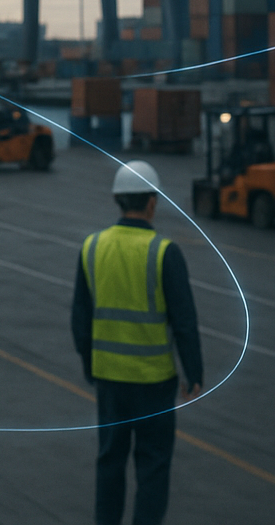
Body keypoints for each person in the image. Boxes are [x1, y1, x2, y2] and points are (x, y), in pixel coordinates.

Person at [71, 161, 202, 525]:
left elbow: (79, 320)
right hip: (154, 383)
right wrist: (194, 372)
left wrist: (90, 365)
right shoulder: (164, 252)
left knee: (109, 462)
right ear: (152, 203)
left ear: (118, 199)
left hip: (110, 380)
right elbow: (185, 322)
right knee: (153, 468)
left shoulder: (92, 247)